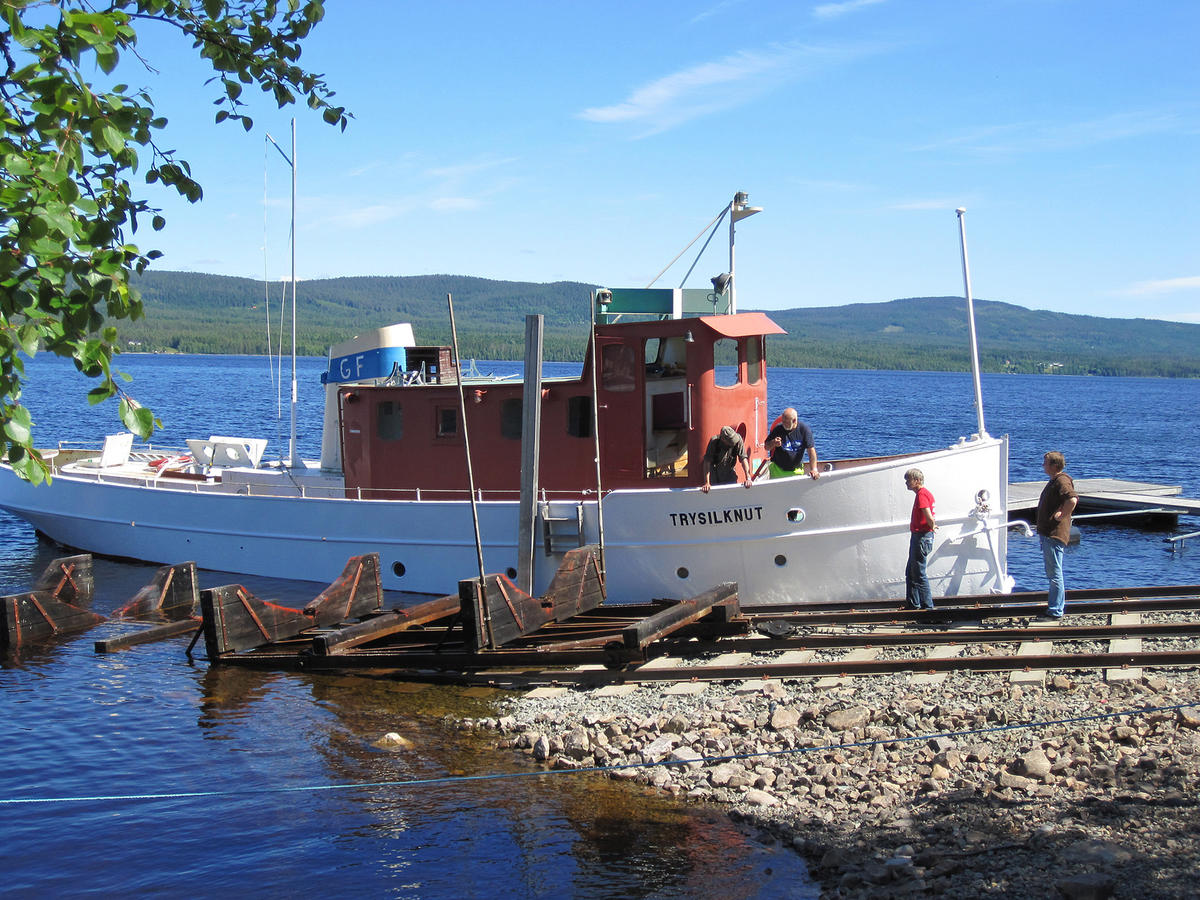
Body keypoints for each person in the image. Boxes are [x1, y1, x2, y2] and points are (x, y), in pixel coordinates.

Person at [1036, 450, 1078, 620]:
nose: (1043, 465)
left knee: (1054, 574)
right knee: (1053, 573)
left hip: (1053, 534)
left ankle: (1055, 611)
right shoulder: (1055, 480)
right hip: (1049, 534)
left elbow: (1072, 499)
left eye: (1045, 463)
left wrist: (1062, 515)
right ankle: (1055, 607)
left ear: (1054, 465)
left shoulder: (1061, 480)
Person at [904, 468, 937, 610]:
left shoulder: (922, 495)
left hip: (921, 537)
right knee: (911, 572)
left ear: (917, 481)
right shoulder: (924, 494)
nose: (906, 483)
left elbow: (927, 513)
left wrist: (932, 525)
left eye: (908, 480)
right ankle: (913, 604)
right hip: (920, 536)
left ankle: (927, 608)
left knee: (918, 573)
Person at [764, 407, 819, 479]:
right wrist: (773, 443)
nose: (783, 424)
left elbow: (811, 450)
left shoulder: (804, 430)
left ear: (794, 420)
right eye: (783, 421)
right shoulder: (778, 429)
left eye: (786, 422)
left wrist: (814, 469)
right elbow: (766, 447)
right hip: (778, 470)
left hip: (796, 471)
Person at [701, 425, 752, 492]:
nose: (733, 443)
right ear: (723, 440)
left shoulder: (738, 440)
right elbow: (707, 462)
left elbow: (743, 458)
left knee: (732, 493)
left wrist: (748, 478)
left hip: (730, 473)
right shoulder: (714, 442)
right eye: (731, 442)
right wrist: (707, 483)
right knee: (717, 495)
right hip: (715, 475)